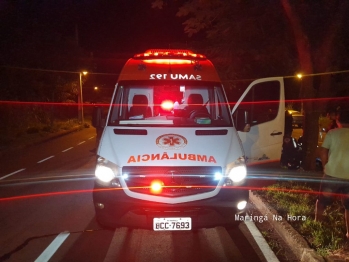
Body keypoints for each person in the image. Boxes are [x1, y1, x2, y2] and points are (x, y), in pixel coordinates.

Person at [315, 109, 349, 239]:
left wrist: (325, 166)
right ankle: (348, 232)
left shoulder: (332, 133)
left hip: (332, 173)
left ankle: (317, 223)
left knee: (322, 200)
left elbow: (323, 151)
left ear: (338, 119)